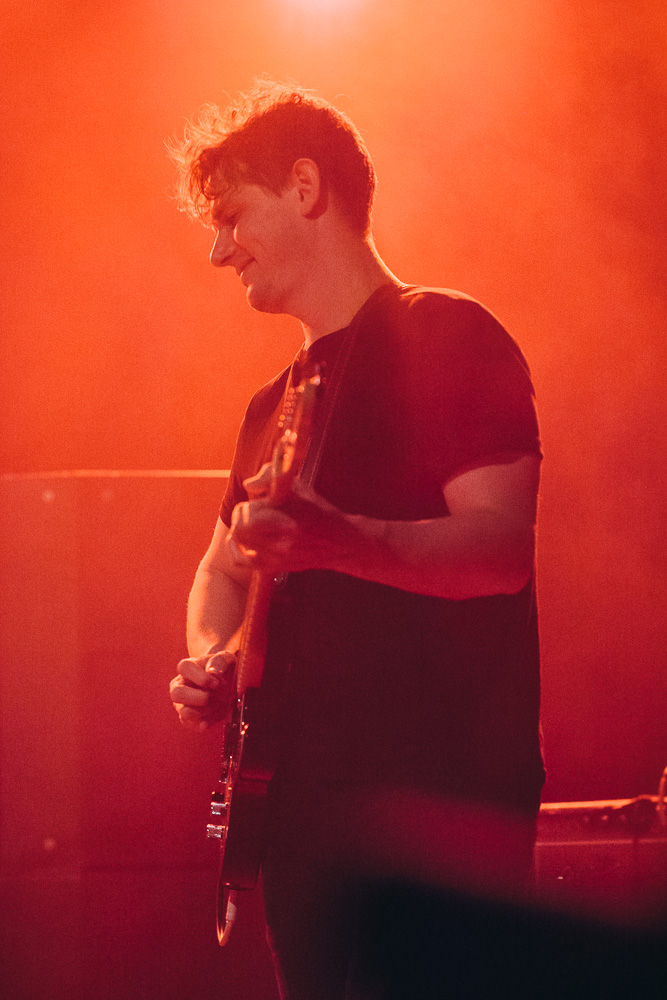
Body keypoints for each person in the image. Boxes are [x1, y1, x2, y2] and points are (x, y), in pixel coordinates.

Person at [168, 81, 545, 999]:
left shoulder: (444, 332)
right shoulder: (268, 406)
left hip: (438, 817)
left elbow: (498, 552)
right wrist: (211, 655)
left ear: (305, 187)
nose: (218, 252)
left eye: (231, 217)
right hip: (299, 815)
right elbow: (221, 570)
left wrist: (339, 543)